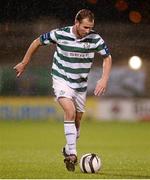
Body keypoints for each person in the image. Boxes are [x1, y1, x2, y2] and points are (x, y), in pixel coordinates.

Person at [14, 9, 112, 172]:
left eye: (91, 27)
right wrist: (24, 62)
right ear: (76, 23)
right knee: (69, 110)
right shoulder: (60, 34)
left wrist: (104, 78)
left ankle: (67, 148)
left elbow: (107, 57)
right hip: (61, 79)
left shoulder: (95, 39)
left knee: (77, 122)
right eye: (85, 27)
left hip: (80, 85)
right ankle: (72, 154)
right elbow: (37, 42)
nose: (89, 31)